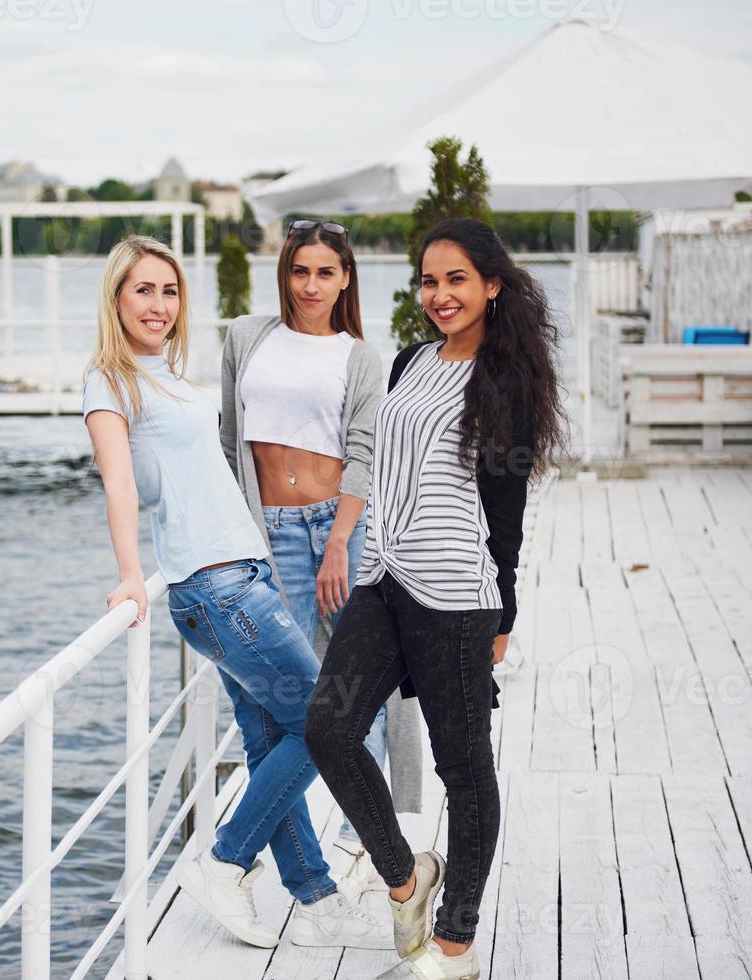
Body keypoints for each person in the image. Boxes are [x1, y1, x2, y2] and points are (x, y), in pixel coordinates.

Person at [83, 235, 383, 950]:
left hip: (242, 574)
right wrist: (130, 572)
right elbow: (120, 484)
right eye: (142, 291)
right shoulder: (109, 380)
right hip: (216, 586)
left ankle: (312, 894)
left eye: (169, 291)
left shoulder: (166, 374)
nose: (158, 305)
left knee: (273, 737)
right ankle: (225, 860)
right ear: (115, 300)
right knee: (329, 723)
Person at [306, 218, 565, 980]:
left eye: (456, 279)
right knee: (329, 727)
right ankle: (406, 877)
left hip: (456, 597)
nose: (440, 294)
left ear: (491, 285)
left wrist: (504, 614)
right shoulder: (410, 362)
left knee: (463, 766)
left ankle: (456, 943)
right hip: (382, 580)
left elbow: (506, 508)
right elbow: (385, 465)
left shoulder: (504, 378)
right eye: (428, 280)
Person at [219, 218, 423, 862]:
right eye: (300, 271)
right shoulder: (247, 337)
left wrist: (339, 542)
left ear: (345, 279)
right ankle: (290, 839)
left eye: (325, 272)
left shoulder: (360, 357)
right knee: (281, 692)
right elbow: (231, 442)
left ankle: (360, 834)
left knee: (367, 680)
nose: (311, 285)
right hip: (268, 531)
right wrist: (238, 534)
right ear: (284, 273)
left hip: (340, 527)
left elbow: (363, 454)